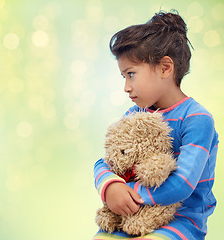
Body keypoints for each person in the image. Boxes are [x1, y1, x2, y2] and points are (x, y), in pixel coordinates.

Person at [93, 10, 219, 240]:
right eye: (123, 77)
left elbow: (182, 184)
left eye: (131, 74)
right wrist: (110, 186)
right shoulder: (134, 115)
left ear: (165, 68)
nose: (126, 87)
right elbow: (105, 161)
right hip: (132, 216)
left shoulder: (197, 119)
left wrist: (128, 192)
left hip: (182, 220)